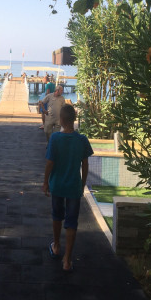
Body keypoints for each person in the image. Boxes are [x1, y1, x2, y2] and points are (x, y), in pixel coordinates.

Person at [42, 104, 93, 271]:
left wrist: (45, 182)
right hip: (73, 186)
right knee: (72, 222)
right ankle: (67, 260)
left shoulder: (55, 138)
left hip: (57, 185)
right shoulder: (82, 140)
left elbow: (50, 163)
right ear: (74, 119)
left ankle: (56, 246)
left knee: (57, 215)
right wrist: (82, 183)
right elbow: (85, 164)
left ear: (61, 120)